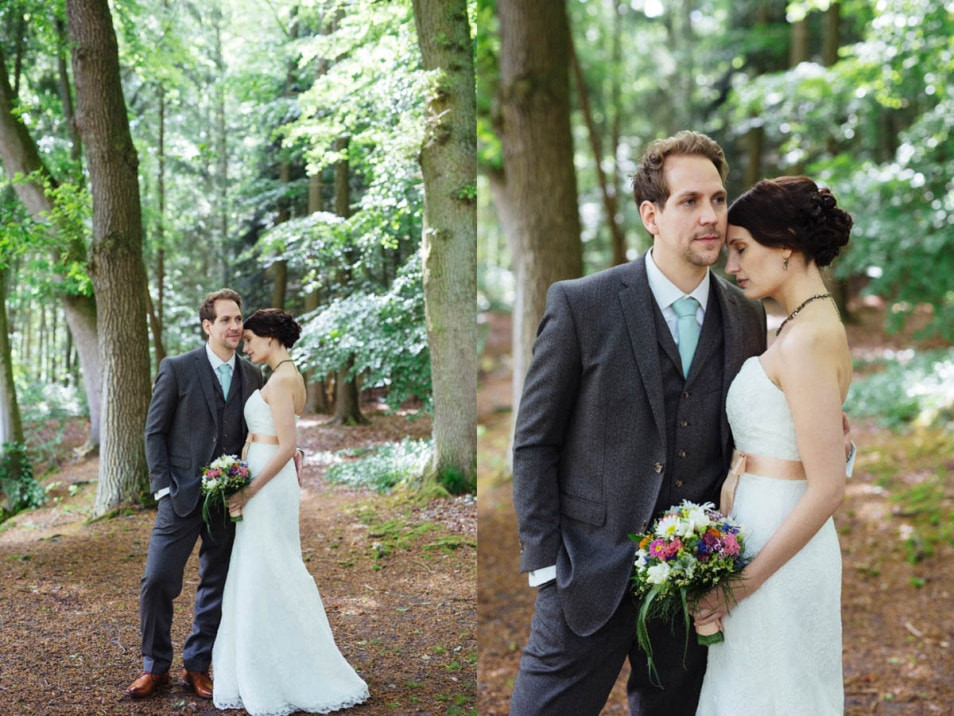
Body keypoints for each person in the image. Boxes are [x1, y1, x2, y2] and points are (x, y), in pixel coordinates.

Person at [508, 130, 767, 715]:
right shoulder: (582, 303)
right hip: (585, 573)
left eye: (719, 200)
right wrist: (547, 565)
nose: (711, 218)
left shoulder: (747, 315)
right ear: (651, 214)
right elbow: (533, 441)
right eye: (690, 201)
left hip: (693, 583)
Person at [693, 176, 853, 714]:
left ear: (785, 241)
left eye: (741, 248)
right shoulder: (800, 324)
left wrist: (744, 582)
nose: (731, 264)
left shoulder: (806, 337)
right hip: (761, 526)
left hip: (779, 550)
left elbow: (828, 486)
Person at [211, 308, 370, 715]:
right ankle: (265, 659)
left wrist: (247, 489)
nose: (245, 345)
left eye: (249, 339)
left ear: (268, 337)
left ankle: (284, 670)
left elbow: (285, 445)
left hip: (267, 482)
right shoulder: (284, 376)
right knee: (263, 565)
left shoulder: (282, 381)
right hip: (264, 473)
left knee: (268, 566)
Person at [127, 288, 263, 700]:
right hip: (181, 495)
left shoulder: (252, 375)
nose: (235, 326)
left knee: (216, 582)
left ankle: (197, 666)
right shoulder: (178, 368)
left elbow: (257, 432)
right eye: (226, 320)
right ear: (208, 325)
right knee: (157, 580)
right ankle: (155, 666)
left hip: (229, 499)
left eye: (238, 319)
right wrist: (164, 487)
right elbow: (155, 430)